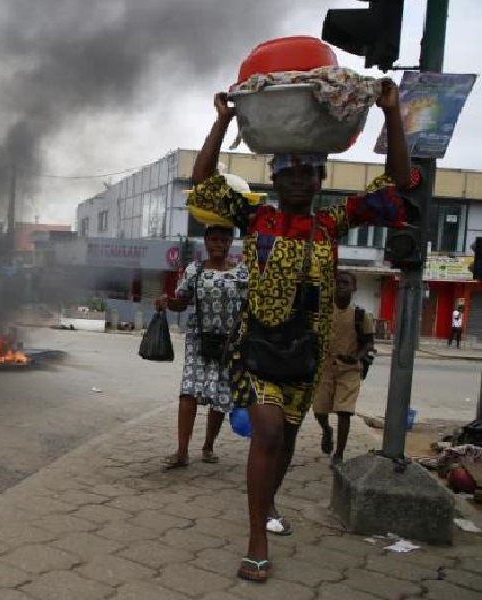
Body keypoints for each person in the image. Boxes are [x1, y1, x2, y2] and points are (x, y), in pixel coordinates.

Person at [187, 79, 412, 582]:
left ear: (318, 182)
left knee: (285, 441)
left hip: (305, 358)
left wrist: (390, 113)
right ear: (275, 180)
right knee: (266, 431)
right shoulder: (256, 218)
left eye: (308, 175)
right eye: (289, 174)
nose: (298, 182)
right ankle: (256, 540)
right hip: (256, 350)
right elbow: (202, 181)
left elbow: (397, 182)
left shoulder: (331, 225)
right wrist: (223, 120)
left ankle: (268, 504)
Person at [157, 226, 248, 468]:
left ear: (231, 242)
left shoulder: (242, 274)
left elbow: (250, 308)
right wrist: (168, 302)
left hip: (230, 344)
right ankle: (182, 452)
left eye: (224, 239)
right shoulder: (193, 271)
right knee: (188, 391)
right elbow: (181, 303)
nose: (219, 244)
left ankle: (208, 446)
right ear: (206, 241)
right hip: (198, 340)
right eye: (214, 239)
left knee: (220, 396)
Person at [312, 271, 375, 466]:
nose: (340, 286)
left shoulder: (361, 315)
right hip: (324, 367)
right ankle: (326, 430)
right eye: (337, 282)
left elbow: (368, 344)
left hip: (349, 369)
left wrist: (356, 357)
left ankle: (339, 454)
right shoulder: (322, 312)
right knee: (320, 410)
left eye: (345, 283)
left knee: (344, 411)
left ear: (354, 288)